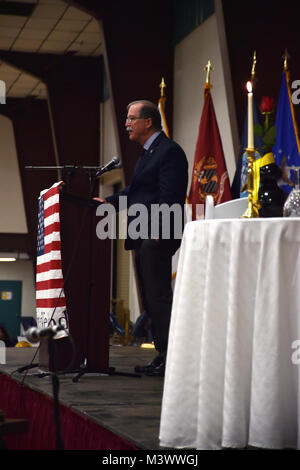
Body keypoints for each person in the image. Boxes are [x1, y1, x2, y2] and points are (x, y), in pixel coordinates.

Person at [95, 100, 188, 376]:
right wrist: (109, 202)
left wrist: (159, 231)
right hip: (144, 234)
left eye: (131, 118)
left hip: (157, 234)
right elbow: (137, 191)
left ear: (148, 122)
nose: (126, 124)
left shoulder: (168, 151)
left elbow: (170, 195)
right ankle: (163, 353)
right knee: (150, 298)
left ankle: (172, 356)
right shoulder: (149, 153)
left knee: (159, 296)